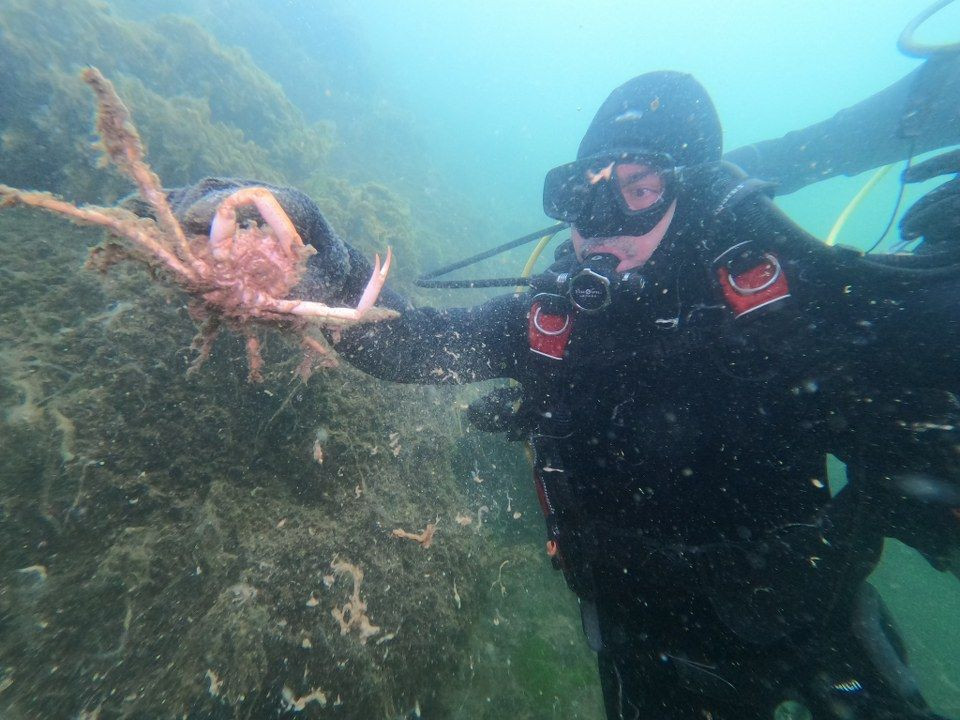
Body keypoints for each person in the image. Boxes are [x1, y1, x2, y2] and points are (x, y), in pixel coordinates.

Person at [159, 71, 960, 720]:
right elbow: (410, 343)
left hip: (815, 627)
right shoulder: (554, 321)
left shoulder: (778, 306)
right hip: (643, 641)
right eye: (581, 191)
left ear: (694, 194)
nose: (599, 218)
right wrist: (300, 237)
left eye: (639, 188)